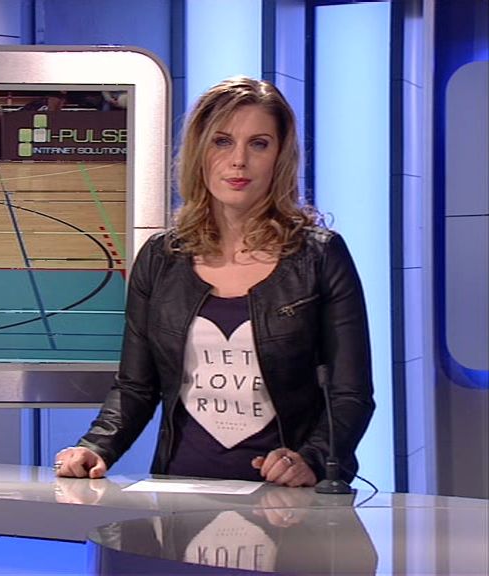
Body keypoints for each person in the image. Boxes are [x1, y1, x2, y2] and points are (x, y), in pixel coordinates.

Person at [54, 76, 375, 488]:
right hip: (181, 493)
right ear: (200, 151)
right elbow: (135, 387)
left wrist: (311, 459)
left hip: (288, 500)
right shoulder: (160, 257)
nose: (238, 160)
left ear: (280, 156)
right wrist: (96, 447)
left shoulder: (320, 257)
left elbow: (351, 395)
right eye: (222, 141)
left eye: (259, 144)